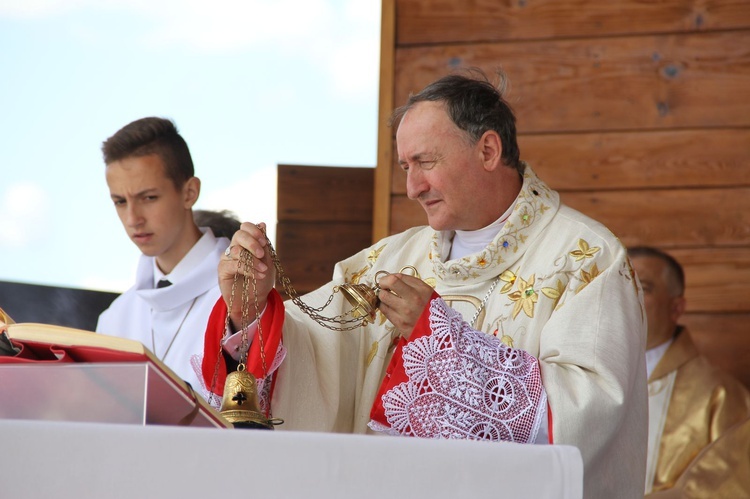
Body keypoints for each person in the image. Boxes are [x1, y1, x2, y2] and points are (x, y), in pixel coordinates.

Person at [203, 70, 647, 499]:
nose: (413, 186)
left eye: (426, 162)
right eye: (404, 167)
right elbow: (316, 353)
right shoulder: (389, 261)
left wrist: (437, 342)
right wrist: (251, 310)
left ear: (488, 151)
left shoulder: (585, 258)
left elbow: (589, 413)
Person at [96, 117, 229, 397]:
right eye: (120, 201)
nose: (133, 219)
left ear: (189, 192)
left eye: (149, 198)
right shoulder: (115, 318)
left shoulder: (239, 299)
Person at [628, 246, 750, 496]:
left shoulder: (720, 395)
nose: (627, 296)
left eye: (644, 287)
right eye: (620, 284)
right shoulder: (585, 380)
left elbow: (727, 487)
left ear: (676, 308)